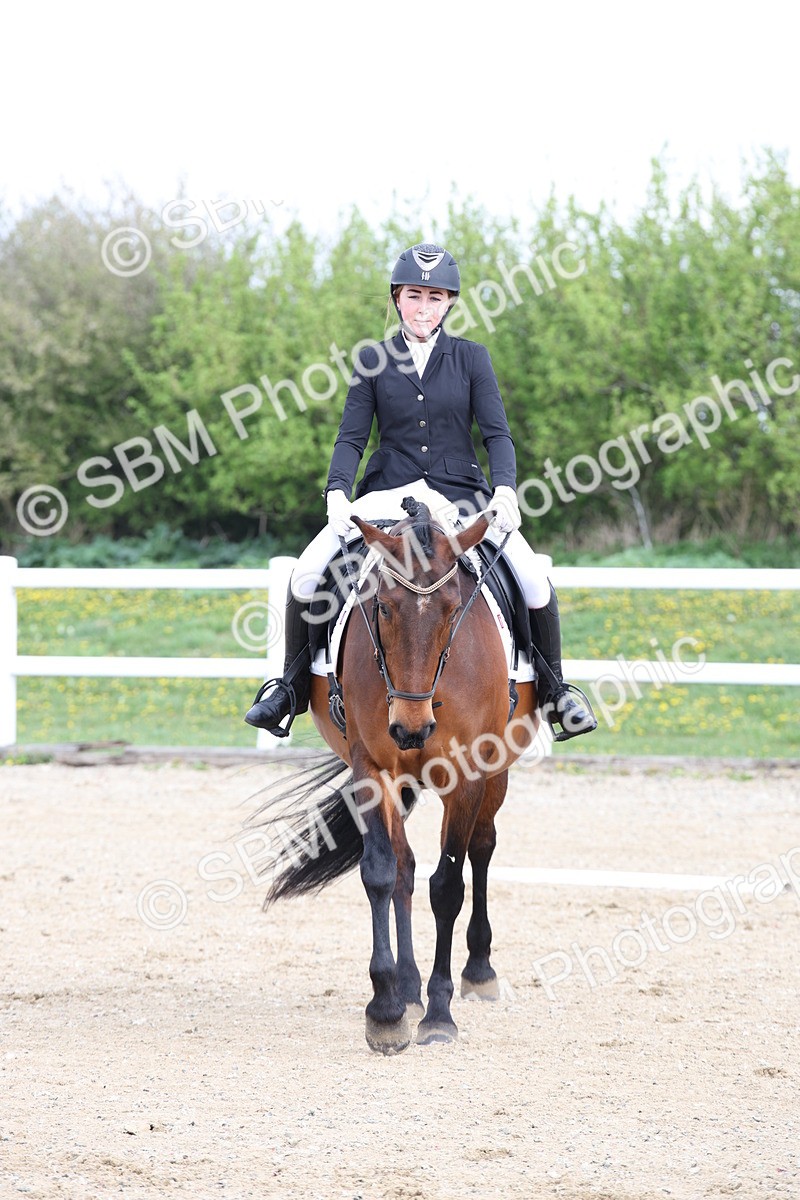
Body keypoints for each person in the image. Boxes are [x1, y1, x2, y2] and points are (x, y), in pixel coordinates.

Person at [245, 242, 597, 741]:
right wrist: (337, 494)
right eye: (415, 296)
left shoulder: (472, 358)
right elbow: (351, 438)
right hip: (387, 493)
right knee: (305, 573)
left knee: (533, 578)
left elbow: (497, 434)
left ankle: (558, 690)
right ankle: (291, 687)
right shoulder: (373, 359)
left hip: (460, 498)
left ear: (449, 302)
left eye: (435, 297)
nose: (424, 307)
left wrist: (505, 492)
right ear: (397, 298)